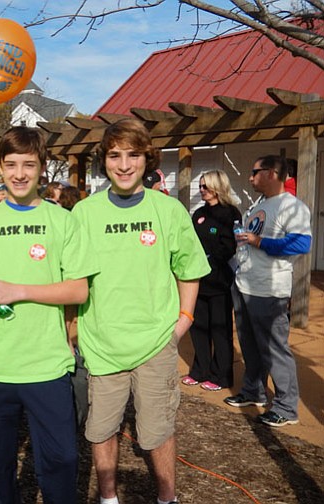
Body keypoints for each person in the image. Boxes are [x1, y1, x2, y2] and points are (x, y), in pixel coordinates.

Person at [72, 118, 210, 504]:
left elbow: (189, 270)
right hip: (102, 344)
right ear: (105, 161)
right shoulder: (84, 213)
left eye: (133, 154)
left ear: (147, 159)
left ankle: (168, 498)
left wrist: (183, 322)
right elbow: (74, 279)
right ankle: (109, 498)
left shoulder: (169, 211)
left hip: (155, 343)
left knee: (156, 431)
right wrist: (74, 329)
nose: (124, 164)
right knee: (101, 429)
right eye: (115, 155)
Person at [0, 126, 97, 503]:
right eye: (11, 165)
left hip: (48, 364)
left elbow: (78, 289)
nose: (19, 173)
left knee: (62, 458)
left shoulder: (62, 221)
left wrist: (18, 291)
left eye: (29, 165)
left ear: (42, 168)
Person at [224, 155, 312, 428]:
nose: (250, 178)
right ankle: (254, 392)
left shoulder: (292, 207)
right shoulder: (259, 205)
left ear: (272, 173)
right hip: (244, 284)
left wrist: (258, 241)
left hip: (270, 289)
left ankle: (286, 407)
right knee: (250, 345)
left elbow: (301, 244)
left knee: (275, 349)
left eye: (255, 172)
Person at [182, 171, 241, 392]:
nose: (202, 190)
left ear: (218, 186)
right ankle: (200, 370)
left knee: (220, 329)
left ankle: (221, 376)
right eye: (200, 186)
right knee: (198, 328)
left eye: (206, 186)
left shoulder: (230, 213)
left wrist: (210, 258)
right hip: (198, 281)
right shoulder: (198, 213)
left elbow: (230, 246)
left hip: (219, 281)